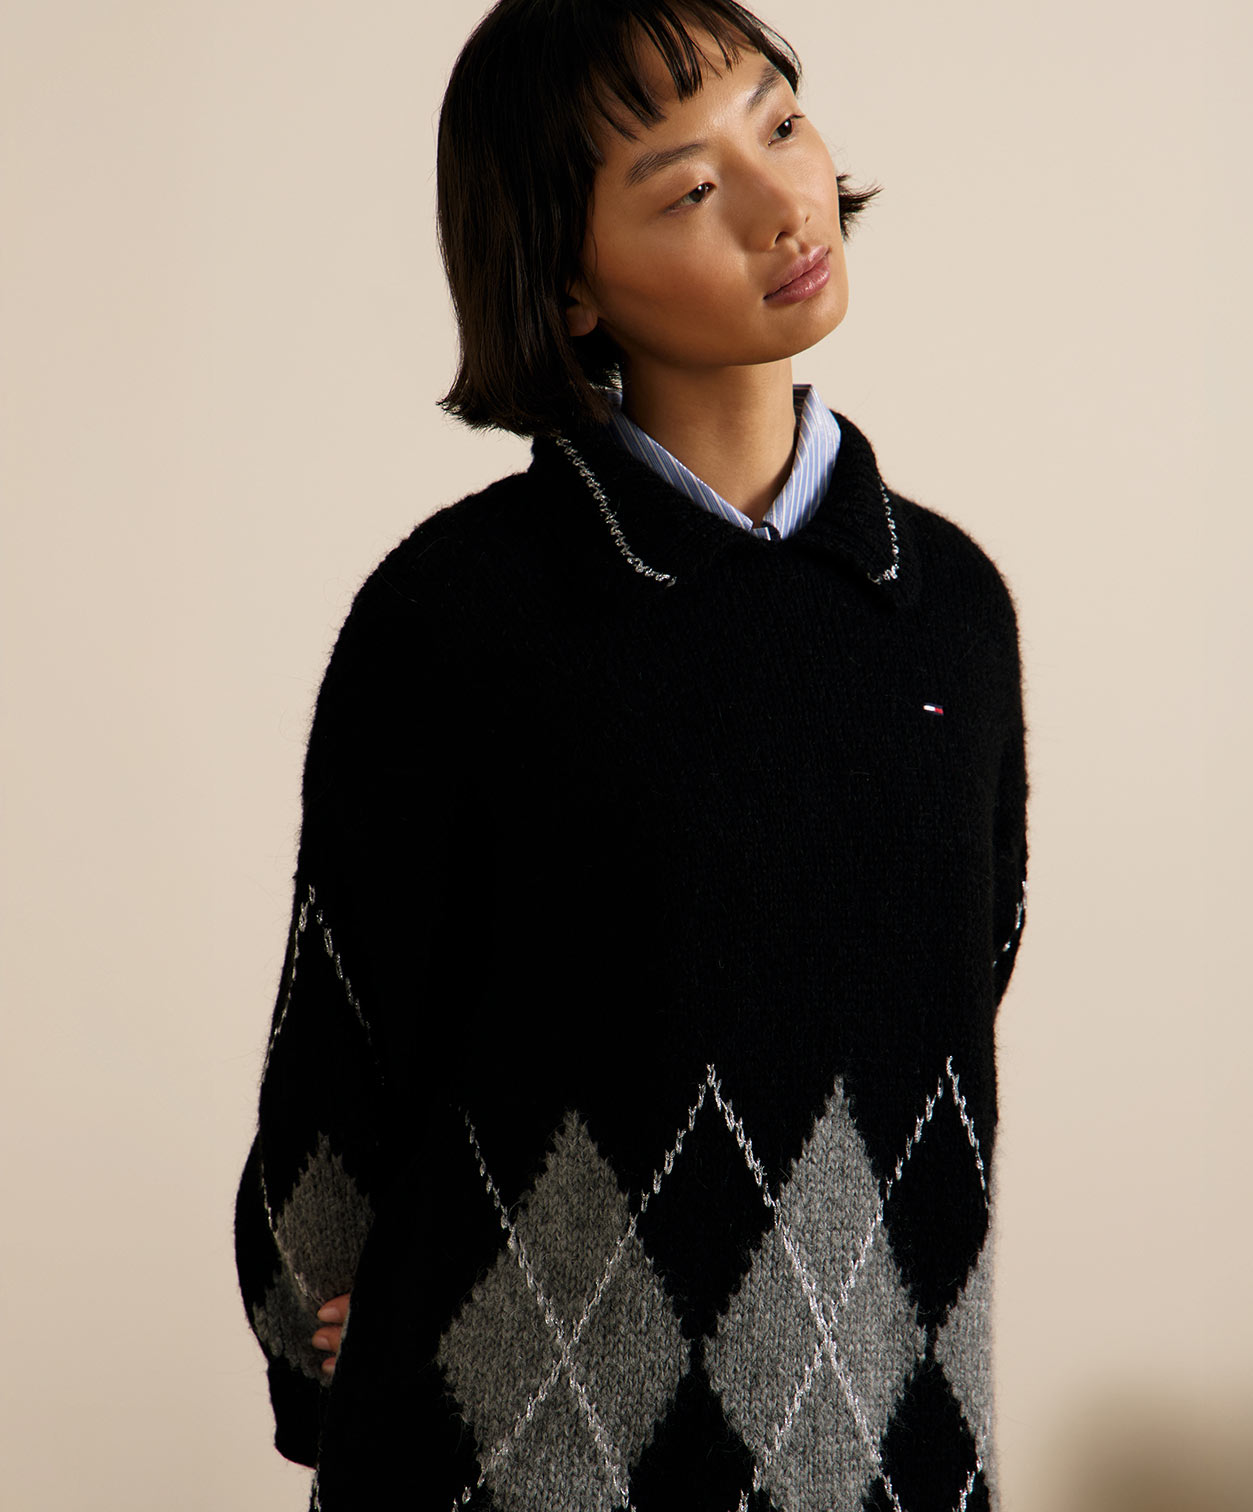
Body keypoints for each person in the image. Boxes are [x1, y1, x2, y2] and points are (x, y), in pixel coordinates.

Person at [233, 1, 1029, 1508]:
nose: (784, 200)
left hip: (890, 1442)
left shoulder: (951, 611)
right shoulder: (458, 615)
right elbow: (344, 1032)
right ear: (570, 284)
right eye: (686, 188)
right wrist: (314, 1315)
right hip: (511, 1451)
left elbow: (951, 991)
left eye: (780, 122)